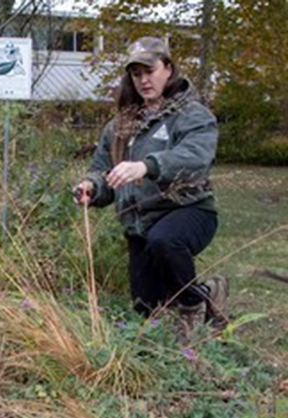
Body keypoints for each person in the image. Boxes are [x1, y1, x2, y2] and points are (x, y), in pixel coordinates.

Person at [73, 37, 227, 337]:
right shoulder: (119, 127)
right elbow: (103, 172)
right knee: (146, 308)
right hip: (138, 225)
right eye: (136, 74)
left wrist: (147, 165)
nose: (144, 80)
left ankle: (192, 310)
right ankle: (210, 292)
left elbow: (196, 157)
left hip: (189, 212)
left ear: (168, 69)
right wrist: (91, 187)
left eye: (150, 70)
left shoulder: (193, 115)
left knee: (163, 240)